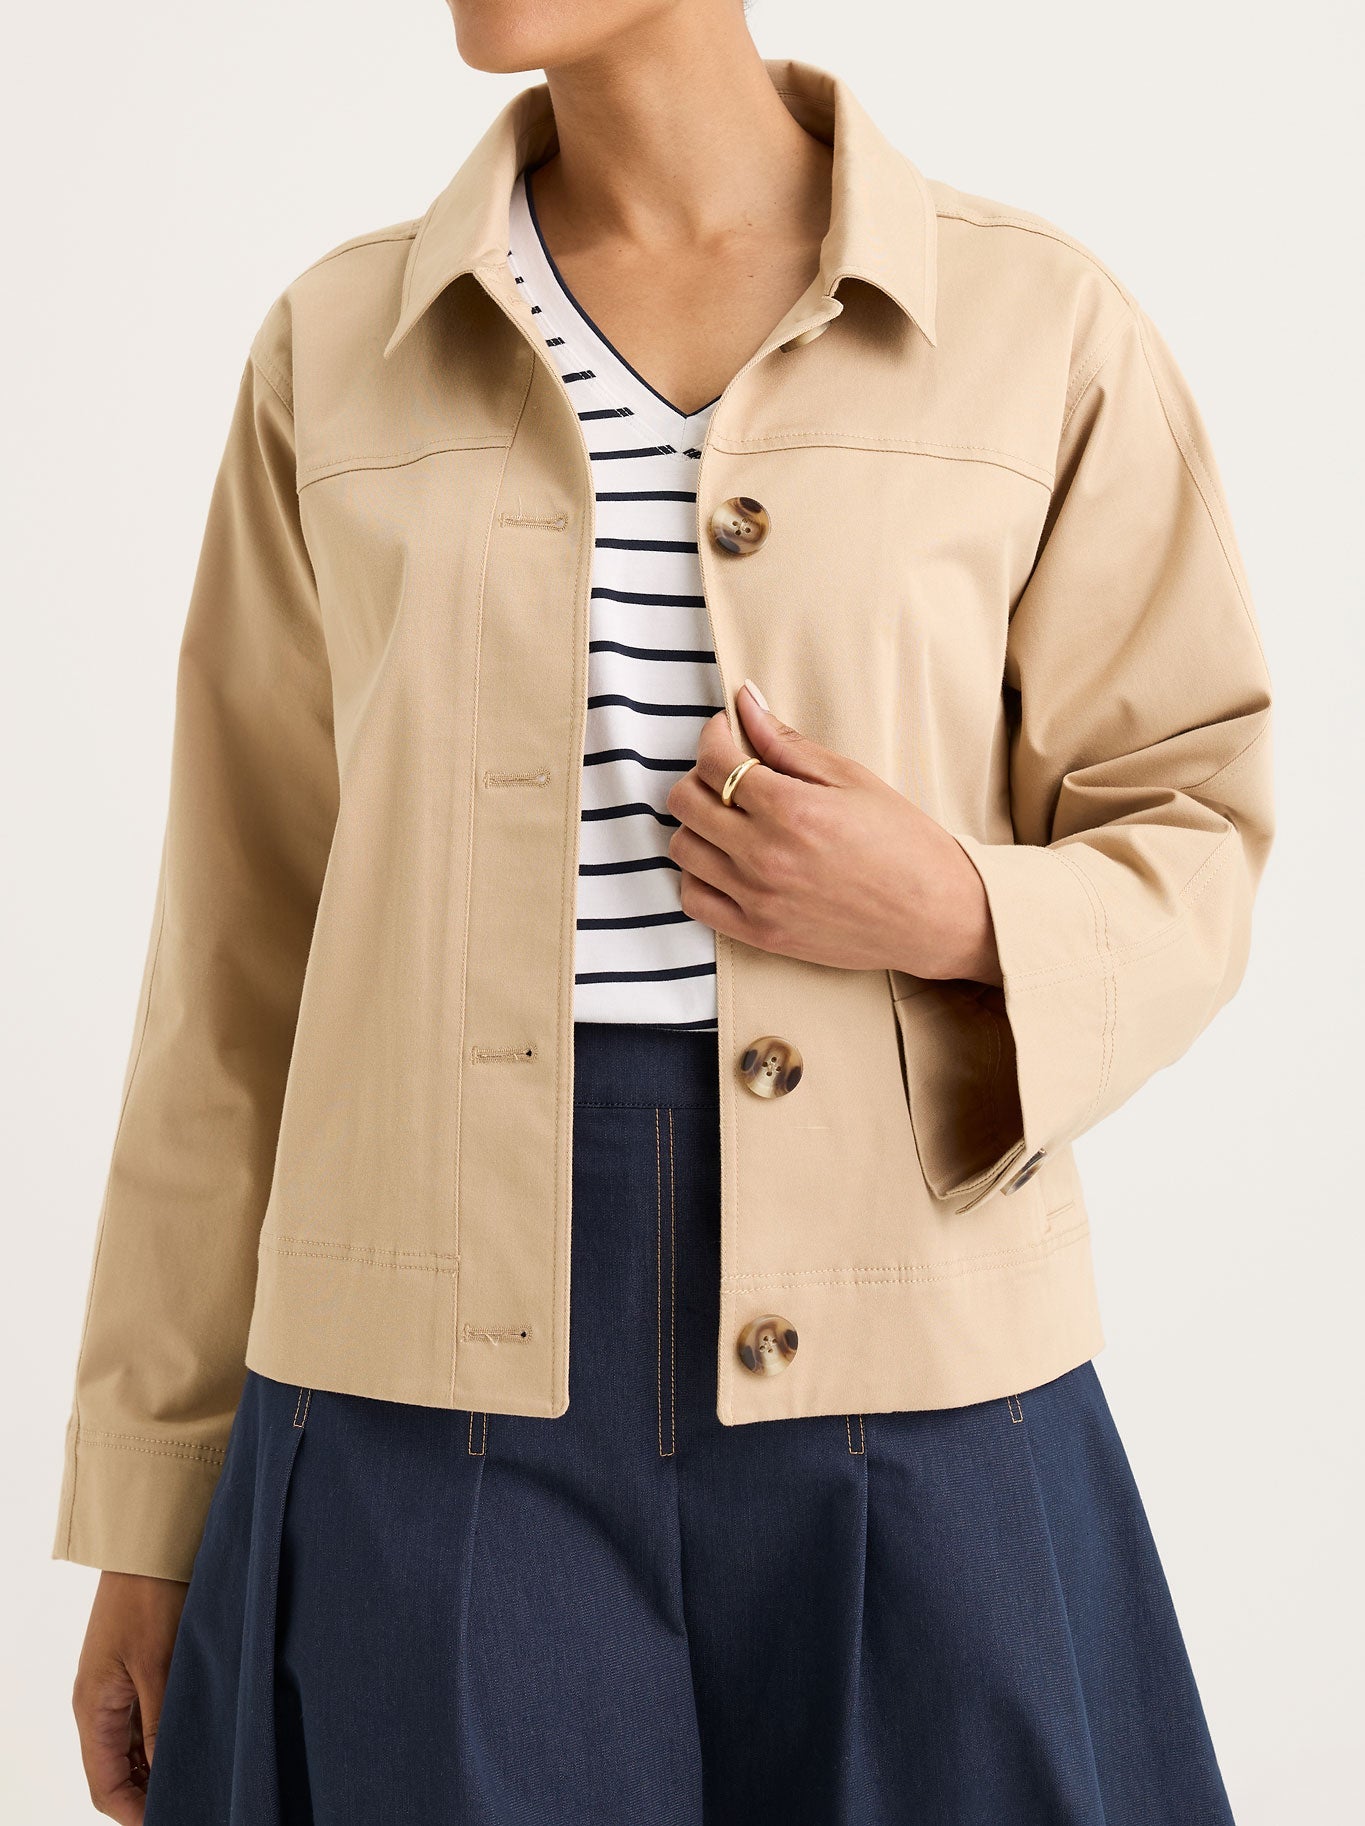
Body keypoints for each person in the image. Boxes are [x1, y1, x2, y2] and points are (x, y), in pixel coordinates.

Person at [57, 3, 1275, 1822]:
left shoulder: (1035, 327)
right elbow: (232, 959)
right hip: (417, 1373)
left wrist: (951, 904)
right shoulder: (337, 348)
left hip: (914, 1349)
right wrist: (152, 1500)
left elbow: (1193, 812)